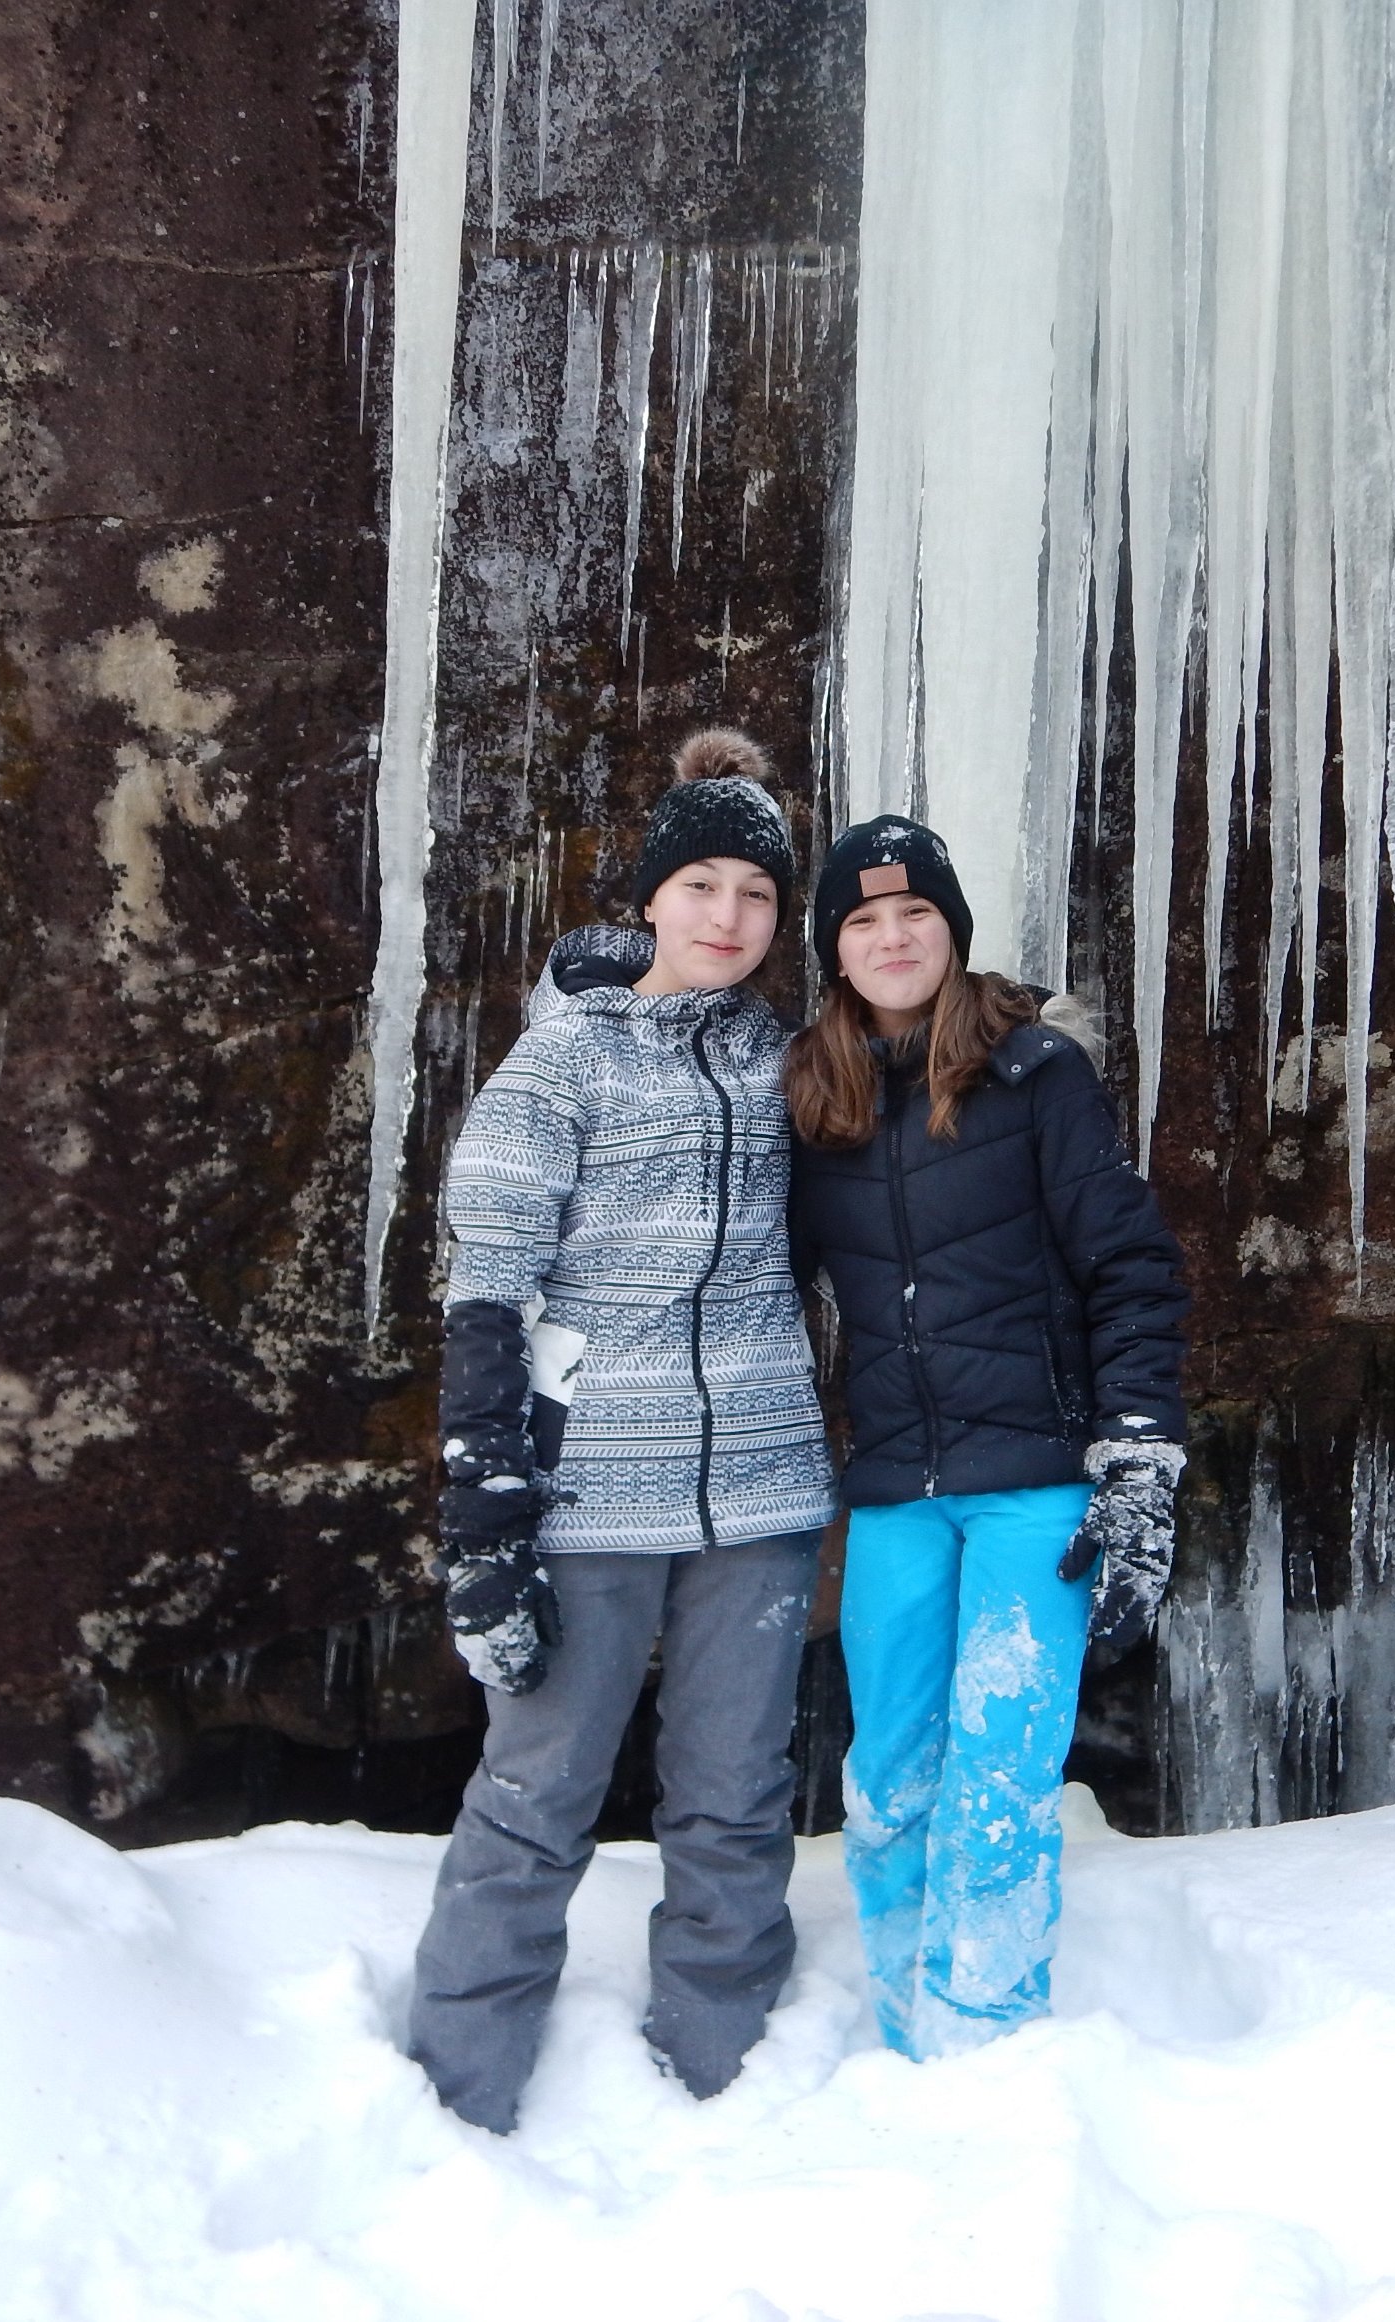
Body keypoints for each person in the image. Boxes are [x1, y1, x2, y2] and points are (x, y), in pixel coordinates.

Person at [406, 729, 837, 2135]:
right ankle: (455, 2101)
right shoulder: (558, 1067)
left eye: (757, 894)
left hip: (761, 1495)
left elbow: (920, 1087)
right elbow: (489, 1291)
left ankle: (721, 2082)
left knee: (735, 1798)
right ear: (651, 897)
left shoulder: (790, 1062)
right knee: (538, 1792)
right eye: (701, 884)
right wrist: (486, 1513)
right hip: (590, 1496)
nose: (728, 915)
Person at [784, 815, 1189, 2060]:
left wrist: (1137, 1461)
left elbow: (1130, 1268)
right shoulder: (810, 1099)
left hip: (1034, 1488)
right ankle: (909, 2031)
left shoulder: (1034, 1075)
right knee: (887, 1783)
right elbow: (752, 1284)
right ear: (834, 949)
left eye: (917, 913)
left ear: (953, 930)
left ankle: (986, 2047)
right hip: (896, 1494)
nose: (894, 937)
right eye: (863, 920)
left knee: (1001, 1780)